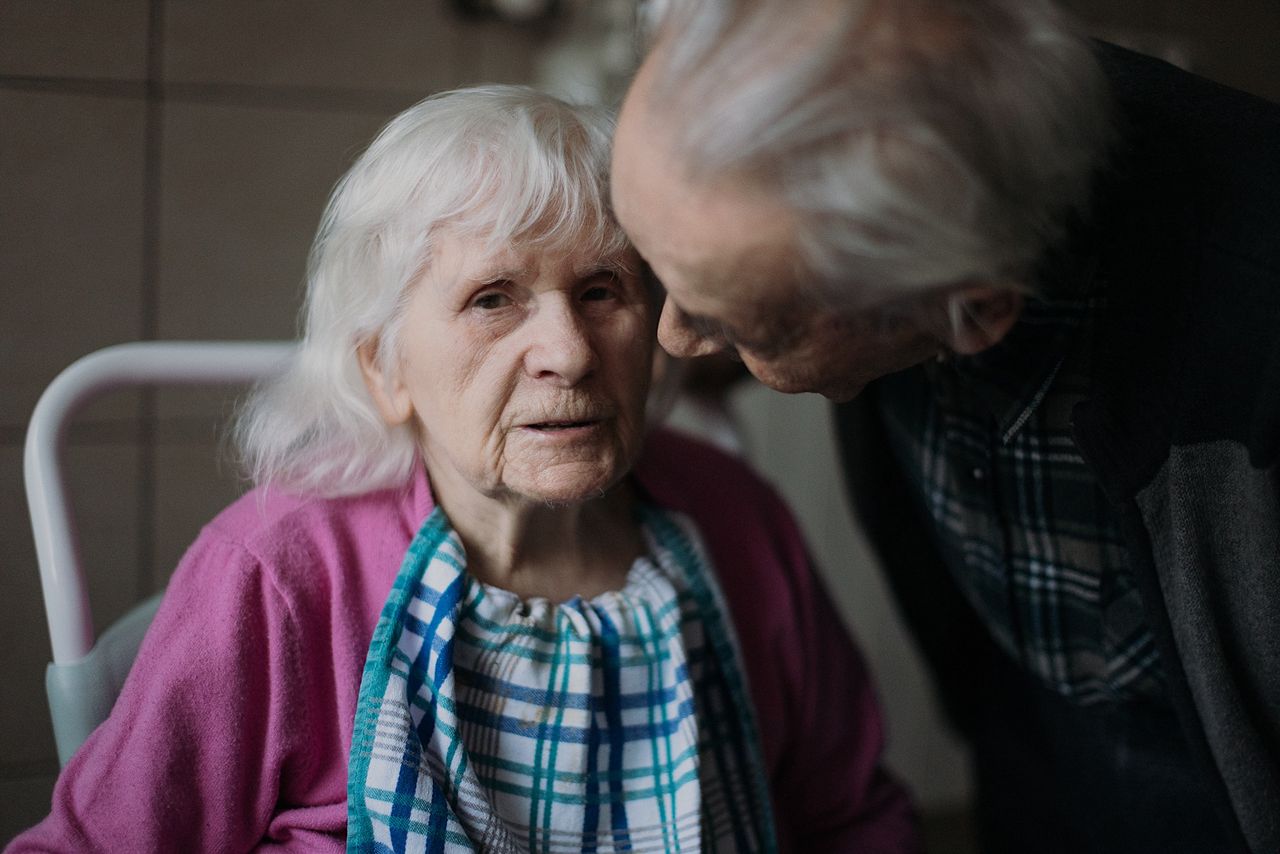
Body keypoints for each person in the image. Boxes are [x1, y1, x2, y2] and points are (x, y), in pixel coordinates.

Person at [8, 85, 916, 853]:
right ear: (385, 367)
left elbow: (852, 821)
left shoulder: (737, 518)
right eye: (493, 299)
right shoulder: (280, 573)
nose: (567, 350)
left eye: (603, 289)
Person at [610, 1, 1280, 852]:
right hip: (1026, 723)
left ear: (969, 312)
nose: (671, 339)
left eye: (741, 326)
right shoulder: (871, 121)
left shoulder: (1252, 324)